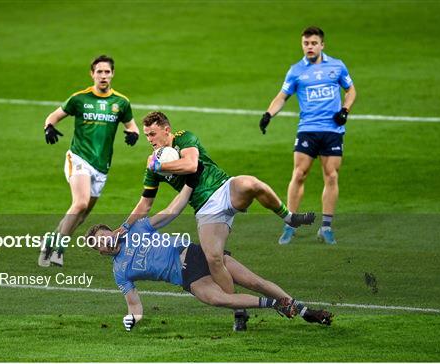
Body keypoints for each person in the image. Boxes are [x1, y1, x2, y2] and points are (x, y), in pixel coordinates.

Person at [116, 111, 315, 298]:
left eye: (152, 134)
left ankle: (289, 217)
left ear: (166, 130)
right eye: (146, 135)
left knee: (252, 184)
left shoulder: (183, 138)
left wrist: (160, 165)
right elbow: (145, 203)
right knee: (213, 258)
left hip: (225, 188)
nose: (149, 139)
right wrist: (124, 227)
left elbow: (191, 164)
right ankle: (238, 309)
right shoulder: (152, 165)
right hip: (205, 209)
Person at [85, 182, 333, 332]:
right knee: (218, 299)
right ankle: (275, 305)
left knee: (254, 282)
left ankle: (303, 311)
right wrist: (132, 319)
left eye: (105, 236)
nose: (106, 243)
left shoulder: (137, 228)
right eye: (100, 245)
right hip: (186, 277)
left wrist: (190, 184)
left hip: (194, 254)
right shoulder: (120, 271)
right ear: (100, 252)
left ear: (112, 231)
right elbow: (134, 305)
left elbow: (171, 210)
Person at [38, 55, 140, 267]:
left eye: (107, 72)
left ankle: (50, 241)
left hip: (102, 166)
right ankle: (59, 249)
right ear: (92, 74)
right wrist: (48, 127)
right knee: (80, 202)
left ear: (112, 74)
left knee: (81, 215)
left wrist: (133, 134)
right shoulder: (79, 99)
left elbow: (132, 125)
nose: (103, 75)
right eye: (99, 71)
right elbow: (53, 116)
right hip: (78, 157)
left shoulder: (121, 102)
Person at [259, 26, 357, 245]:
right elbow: (282, 96)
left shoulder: (337, 66)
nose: (310, 47)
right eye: (306, 43)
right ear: (302, 45)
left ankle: (326, 228)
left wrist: (345, 110)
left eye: (314, 43)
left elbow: (351, 90)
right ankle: (290, 224)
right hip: (308, 129)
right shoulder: (296, 71)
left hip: (332, 130)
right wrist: (268, 114)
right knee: (299, 174)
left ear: (322, 45)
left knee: (331, 175)